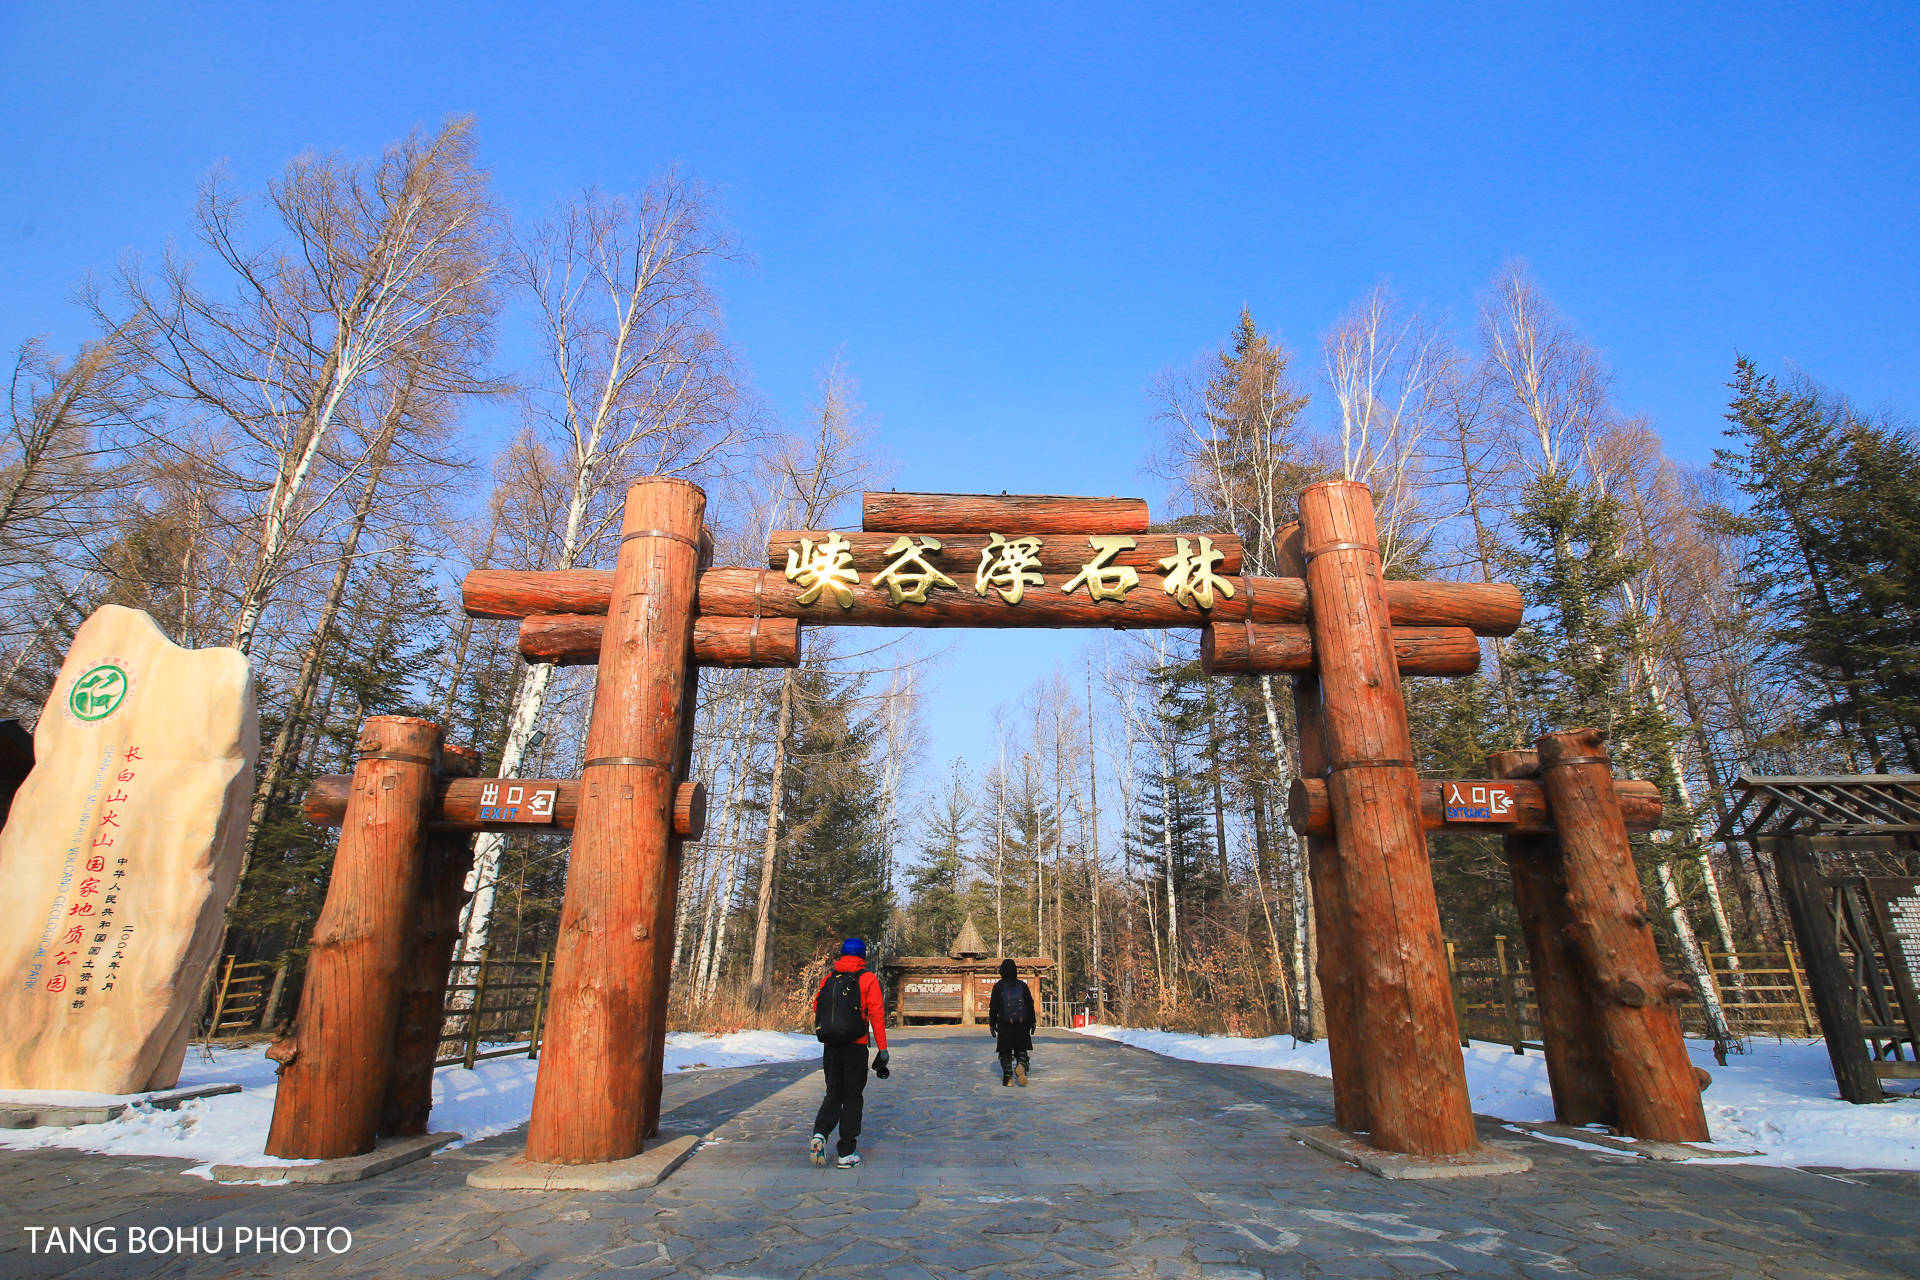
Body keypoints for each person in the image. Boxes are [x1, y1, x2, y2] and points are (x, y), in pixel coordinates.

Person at [810, 936, 889, 1169]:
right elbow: (876, 1014)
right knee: (853, 1097)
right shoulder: (867, 979)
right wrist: (882, 1048)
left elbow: (817, 1007)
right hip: (856, 1045)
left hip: (831, 1046)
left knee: (833, 1092)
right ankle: (846, 1152)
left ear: (843, 954)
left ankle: (820, 1133)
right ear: (863, 955)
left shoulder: (829, 978)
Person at [987, 958, 1036, 1086]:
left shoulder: (998, 986)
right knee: (1021, 1049)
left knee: (1005, 1052)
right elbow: (1030, 1005)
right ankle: (1021, 1065)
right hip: (1022, 1024)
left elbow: (993, 1007)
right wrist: (1032, 1022)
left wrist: (992, 1024)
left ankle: (1008, 1078)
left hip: (1005, 1023)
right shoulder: (1022, 985)